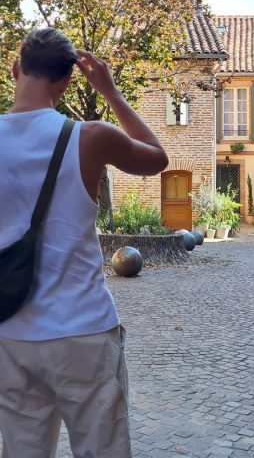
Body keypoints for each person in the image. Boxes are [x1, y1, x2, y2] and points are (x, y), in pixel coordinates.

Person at [0, 28, 168, 457]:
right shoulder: (90, 137)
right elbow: (156, 156)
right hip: (83, 329)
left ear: (16, 69)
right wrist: (110, 92)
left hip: (11, 330)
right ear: (68, 81)